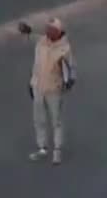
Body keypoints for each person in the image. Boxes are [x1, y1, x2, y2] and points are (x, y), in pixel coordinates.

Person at [18, 17, 76, 163]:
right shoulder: (42, 41)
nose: (47, 31)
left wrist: (70, 81)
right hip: (37, 86)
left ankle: (57, 150)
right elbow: (31, 37)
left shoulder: (65, 48)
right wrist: (26, 31)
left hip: (54, 89)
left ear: (58, 32)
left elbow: (72, 67)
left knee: (56, 120)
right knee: (38, 119)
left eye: (51, 29)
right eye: (47, 28)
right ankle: (42, 148)